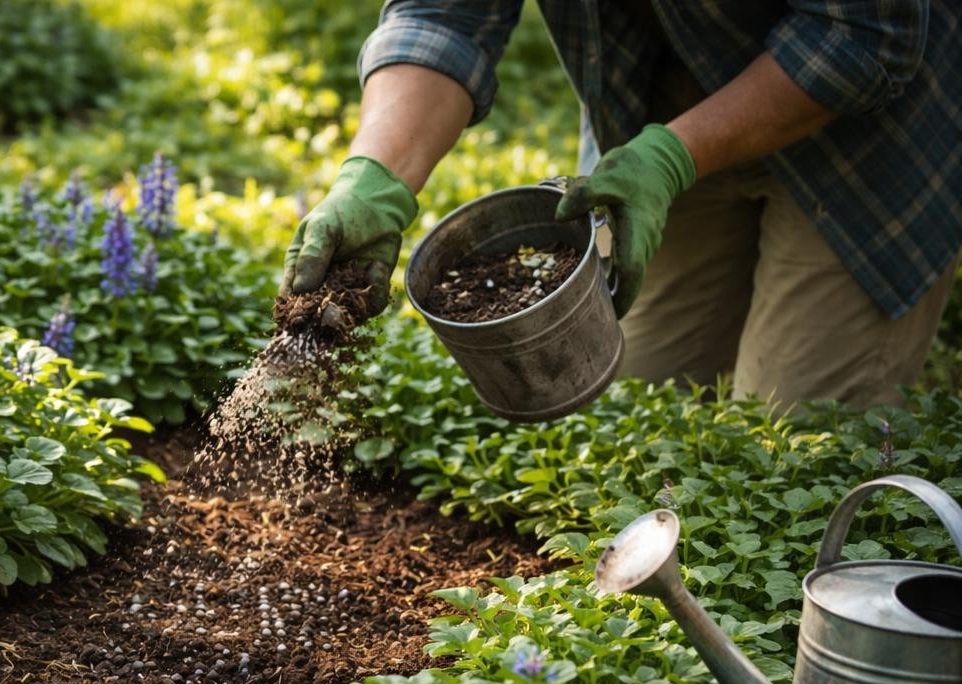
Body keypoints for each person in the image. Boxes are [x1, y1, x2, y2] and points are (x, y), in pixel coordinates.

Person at [281, 2, 962, 410]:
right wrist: (376, 177)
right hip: (657, 108)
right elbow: (443, 15)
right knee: (646, 406)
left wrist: (672, 159)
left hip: (865, 143)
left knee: (786, 434)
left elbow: (865, 34)